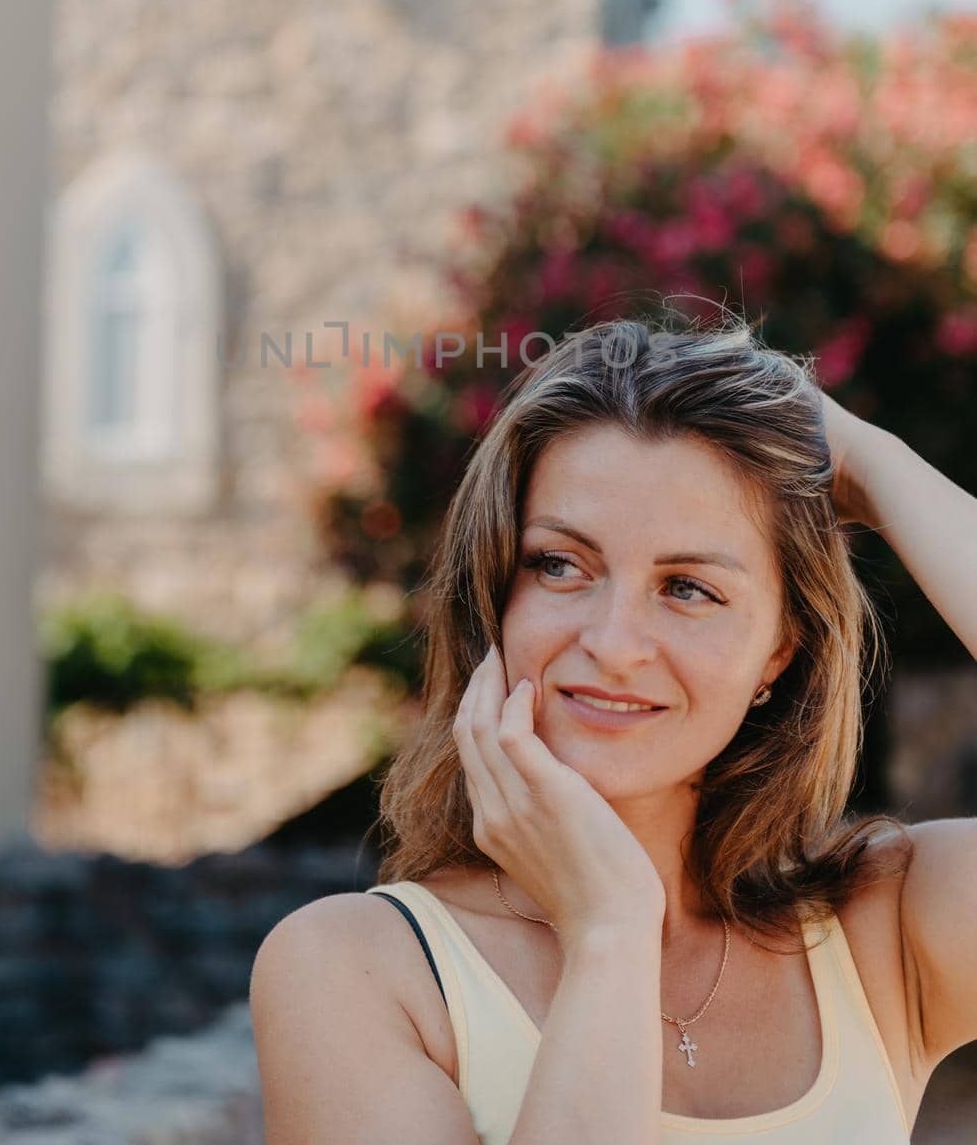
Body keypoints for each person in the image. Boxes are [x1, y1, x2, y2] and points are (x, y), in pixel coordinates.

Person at [249, 312, 977, 1143]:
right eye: (560, 565)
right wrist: (608, 931)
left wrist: (862, 459)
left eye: (688, 588)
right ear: (494, 598)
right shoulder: (357, 971)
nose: (613, 645)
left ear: (780, 650)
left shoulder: (885, 931)